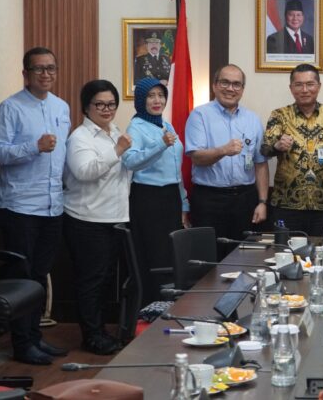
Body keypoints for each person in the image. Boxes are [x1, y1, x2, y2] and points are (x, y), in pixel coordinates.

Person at [0, 47, 71, 365]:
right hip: (20, 206)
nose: (46, 74)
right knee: (22, 277)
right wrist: (33, 147)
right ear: (26, 74)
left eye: (51, 68)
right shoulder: (10, 107)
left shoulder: (61, 107)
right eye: (38, 69)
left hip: (53, 205)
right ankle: (21, 344)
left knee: (39, 275)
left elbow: (62, 157)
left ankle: (35, 336)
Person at [63, 79, 132, 355]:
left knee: (105, 280)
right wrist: (117, 151)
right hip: (86, 219)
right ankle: (91, 336)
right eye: (100, 104)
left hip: (114, 216)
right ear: (86, 107)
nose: (106, 109)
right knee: (90, 281)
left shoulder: (115, 131)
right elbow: (85, 172)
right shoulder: (79, 137)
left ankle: (101, 331)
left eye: (111, 104)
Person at [185, 65, 268, 256]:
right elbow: (196, 157)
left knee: (245, 256)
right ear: (215, 85)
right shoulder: (199, 115)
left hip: (245, 200)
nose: (230, 89)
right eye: (225, 82)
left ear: (242, 89)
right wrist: (223, 150)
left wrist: (262, 201)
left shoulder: (253, 119)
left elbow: (260, 163)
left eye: (236, 84)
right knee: (209, 257)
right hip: (210, 200)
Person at [122, 77, 190, 303]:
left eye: (161, 95)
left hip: (171, 198)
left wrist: (183, 203)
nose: (157, 100)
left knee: (171, 255)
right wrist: (160, 144)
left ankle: (167, 307)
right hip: (148, 199)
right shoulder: (136, 126)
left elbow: (176, 169)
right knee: (154, 257)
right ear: (141, 100)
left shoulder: (165, 124)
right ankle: (150, 310)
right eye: (151, 96)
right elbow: (130, 161)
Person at [261, 64, 323, 236]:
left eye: (310, 84)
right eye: (299, 85)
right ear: (291, 88)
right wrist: (277, 146)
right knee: (286, 254)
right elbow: (265, 149)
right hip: (286, 203)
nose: (305, 89)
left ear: (319, 86)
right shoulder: (279, 115)